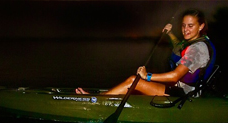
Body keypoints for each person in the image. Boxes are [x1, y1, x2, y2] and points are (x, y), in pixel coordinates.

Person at [76, 9, 215, 96]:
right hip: (179, 88)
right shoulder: (196, 42)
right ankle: (106, 95)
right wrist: (170, 33)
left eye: (190, 26)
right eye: (183, 25)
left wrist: (147, 76)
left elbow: (174, 76)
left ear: (201, 26)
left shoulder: (197, 49)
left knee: (133, 81)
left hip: (184, 93)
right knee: (135, 87)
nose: (185, 29)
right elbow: (179, 46)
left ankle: (95, 100)